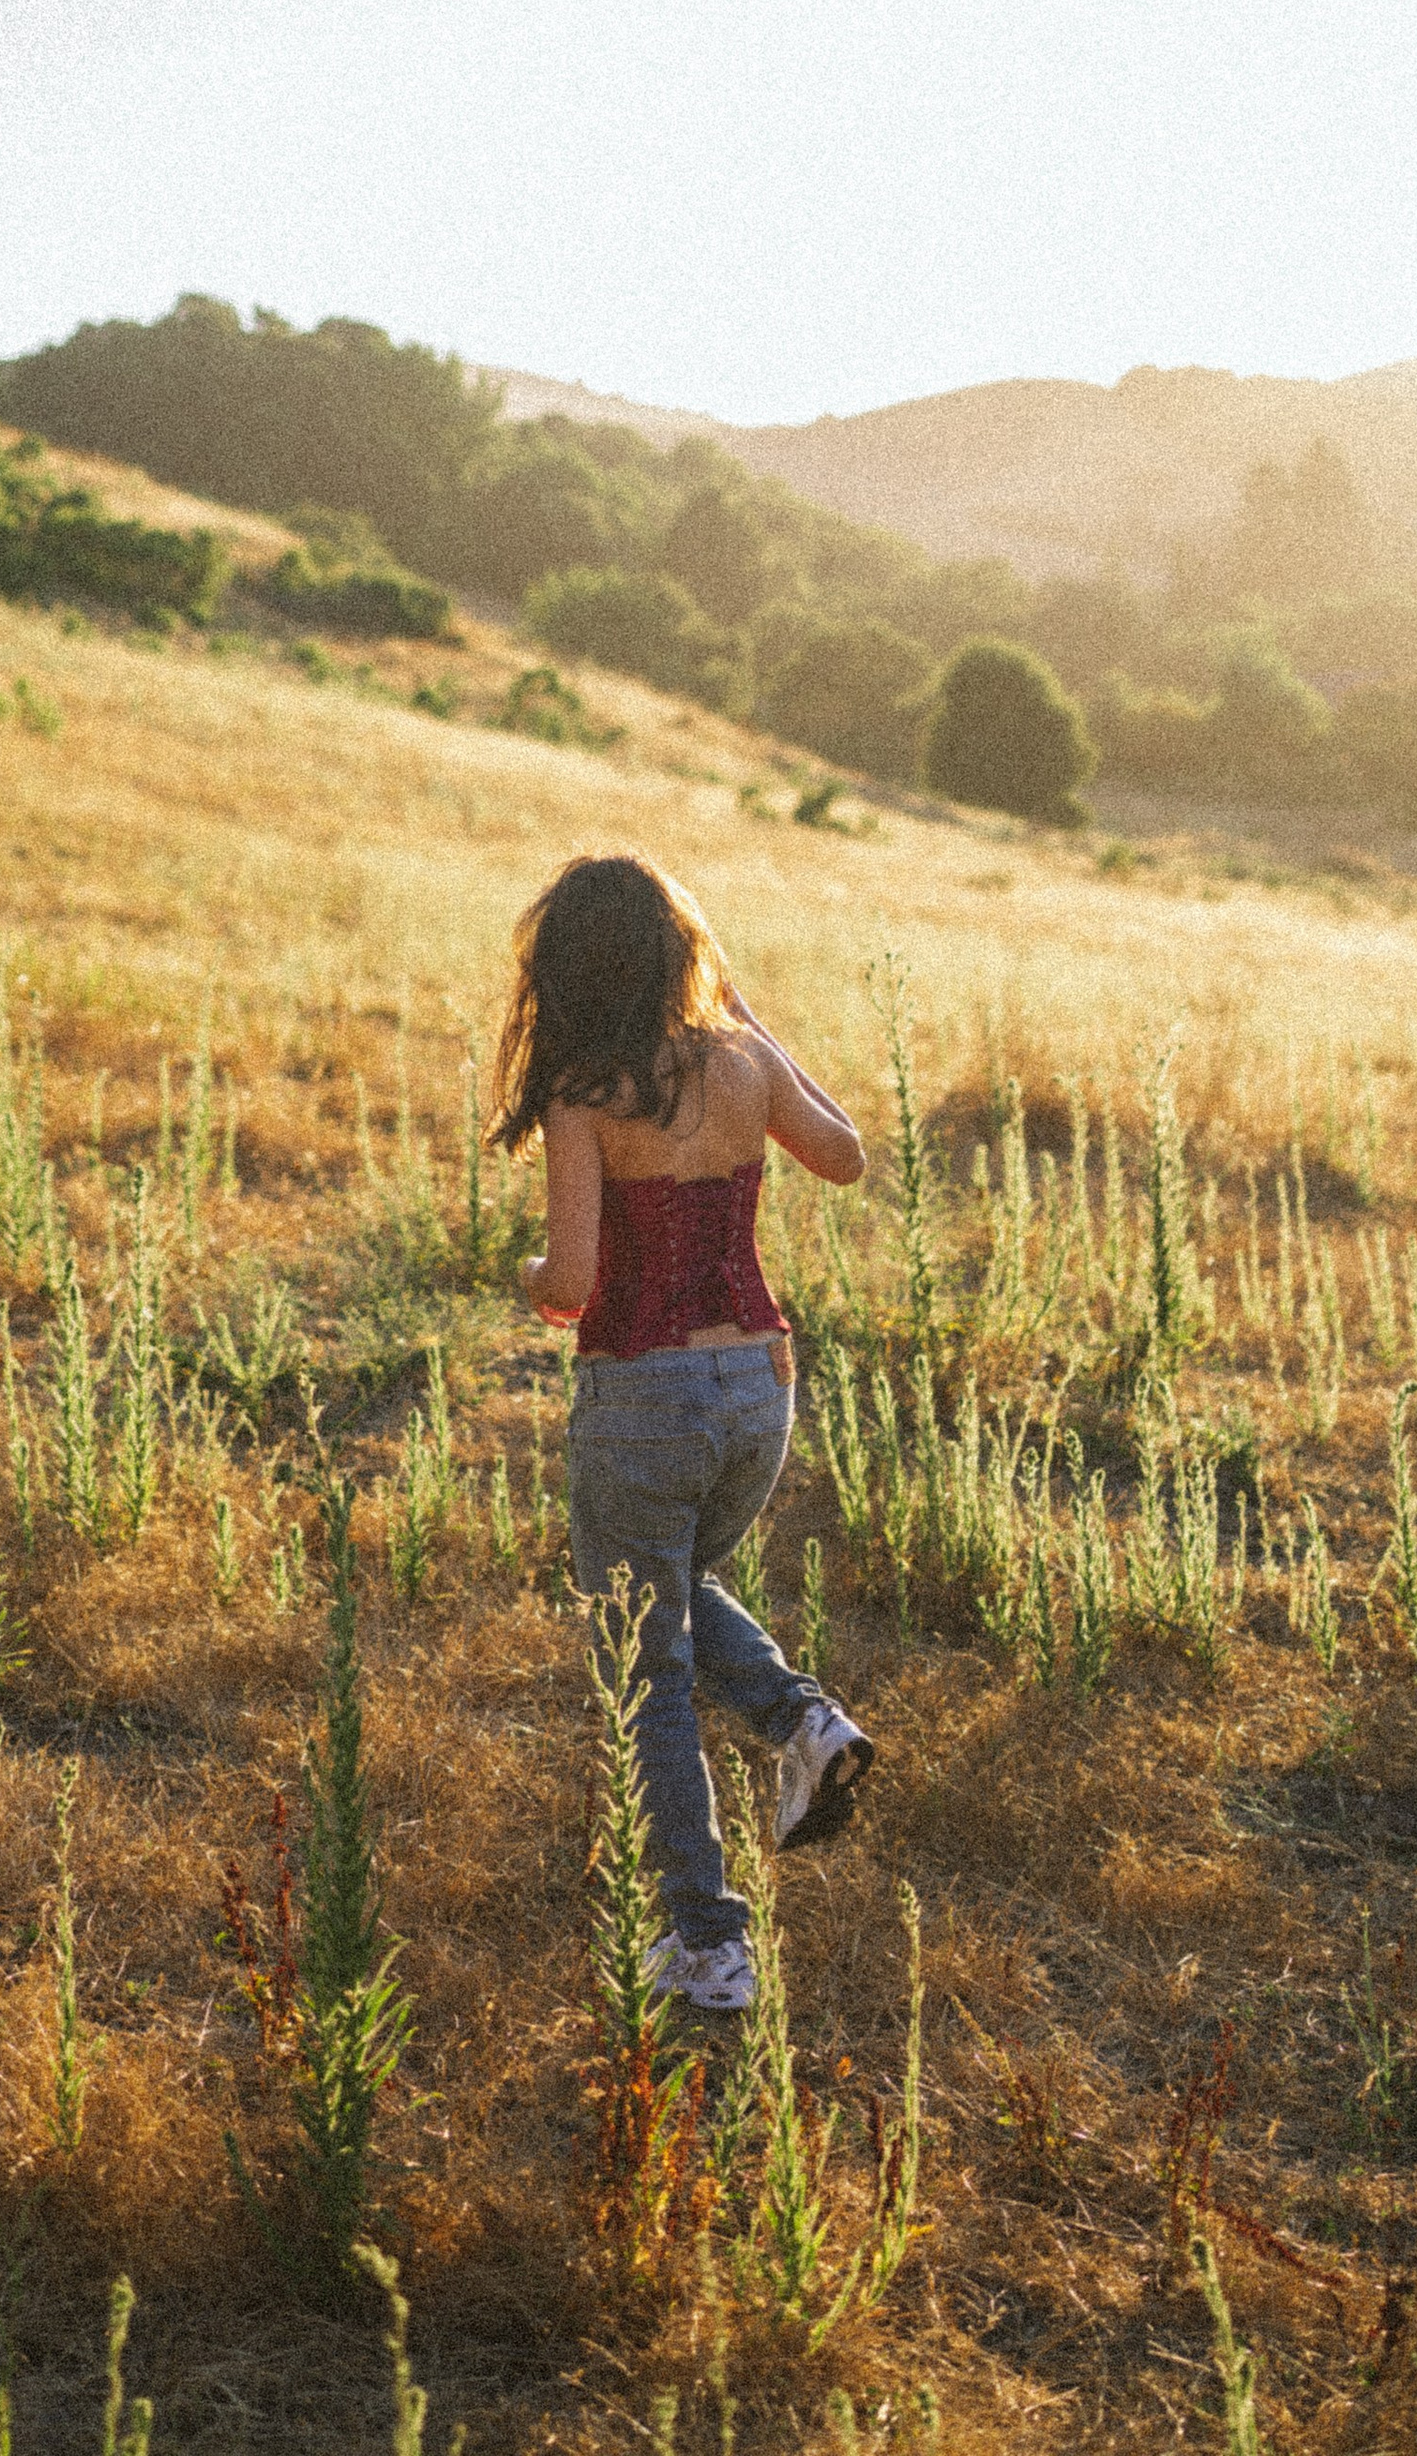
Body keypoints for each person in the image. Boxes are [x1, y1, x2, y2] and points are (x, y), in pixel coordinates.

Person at [500, 850, 875, 2014]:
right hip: (758, 1388)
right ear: (680, 954)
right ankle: (800, 1720)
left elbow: (570, 1280)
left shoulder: (581, 1088)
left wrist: (524, 1278)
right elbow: (847, 1157)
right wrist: (747, 1017)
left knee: (645, 1663)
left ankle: (707, 1943)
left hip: (644, 1397)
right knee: (668, 1590)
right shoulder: (745, 1062)